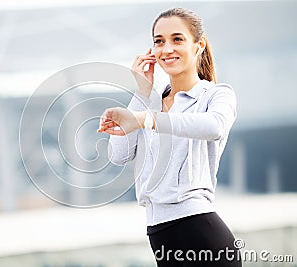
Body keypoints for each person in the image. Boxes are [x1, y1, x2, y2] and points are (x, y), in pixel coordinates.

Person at [97, 7, 241, 267]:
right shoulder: (149, 103)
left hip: (201, 232)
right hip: (161, 237)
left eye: (177, 39)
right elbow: (118, 155)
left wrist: (145, 120)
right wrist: (141, 93)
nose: (166, 49)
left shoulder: (216, 95)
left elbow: (213, 126)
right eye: (159, 41)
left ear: (199, 45)